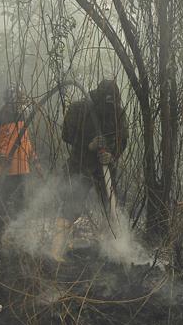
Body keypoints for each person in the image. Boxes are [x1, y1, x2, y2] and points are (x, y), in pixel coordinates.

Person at [50, 79, 128, 261]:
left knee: (112, 207)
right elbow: (66, 135)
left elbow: (122, 140)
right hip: (80, 165)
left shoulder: (118, 114)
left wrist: (112, 154)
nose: (109, 108)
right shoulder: (80, 109)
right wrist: (88, 145)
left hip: (105, 169)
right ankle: (56, 251)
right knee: (71, 204)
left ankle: (115, 250)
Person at [0, 84, 39, 223]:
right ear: (10, 100)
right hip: (3, 171)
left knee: (20, 202)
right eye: (18, 100)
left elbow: (26, 142)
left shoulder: (22, 118)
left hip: (21, 170)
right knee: (0, 203)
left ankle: (18, 231)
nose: (21, 103)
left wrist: (35, 160)